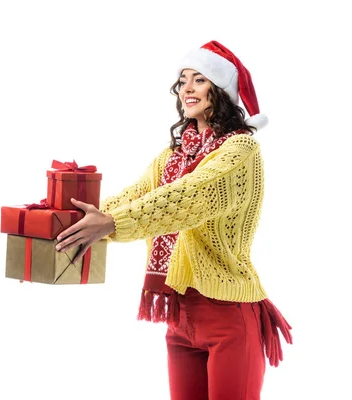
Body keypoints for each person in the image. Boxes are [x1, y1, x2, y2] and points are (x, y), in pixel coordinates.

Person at [55, 40, 292, 400]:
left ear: (221, 90)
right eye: (183, 80)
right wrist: (78, 218)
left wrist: (112, 223)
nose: (187, 88)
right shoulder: (175, 154)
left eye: (199, 79)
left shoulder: (241, 150)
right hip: (180, 315)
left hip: (228, 316)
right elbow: (138, 195)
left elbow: (185, 199)